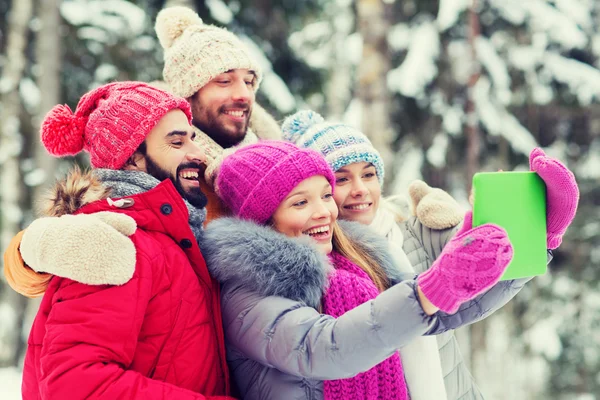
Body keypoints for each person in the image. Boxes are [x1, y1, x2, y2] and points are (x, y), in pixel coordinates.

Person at [281, 110, 580, 400]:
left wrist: (543, 233)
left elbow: (490, 277)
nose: (360, 189)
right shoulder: (310, 268)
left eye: (368, 174)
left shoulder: (419, 233)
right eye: (342, 179)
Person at [198, 140, 515, 399]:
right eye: (300, 203)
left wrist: (533, 240)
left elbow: (434, 312)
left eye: (325, 195)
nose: (324, 212)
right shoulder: (247, 290)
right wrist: (430, 290)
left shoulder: (354, 260)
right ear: (264, 217)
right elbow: (326, 347)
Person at [5, 82, 234, 399]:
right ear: (133, 158)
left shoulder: (172, 237)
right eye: (177, 142)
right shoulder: (114, 242)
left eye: (192, 139)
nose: (197, 153)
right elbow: (75, 386)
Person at [155, 5, 281, 221]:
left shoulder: (279, 169)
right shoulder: (164, 177)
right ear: (187, 92)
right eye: (224, 81)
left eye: (249, 81)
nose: (244, 94)